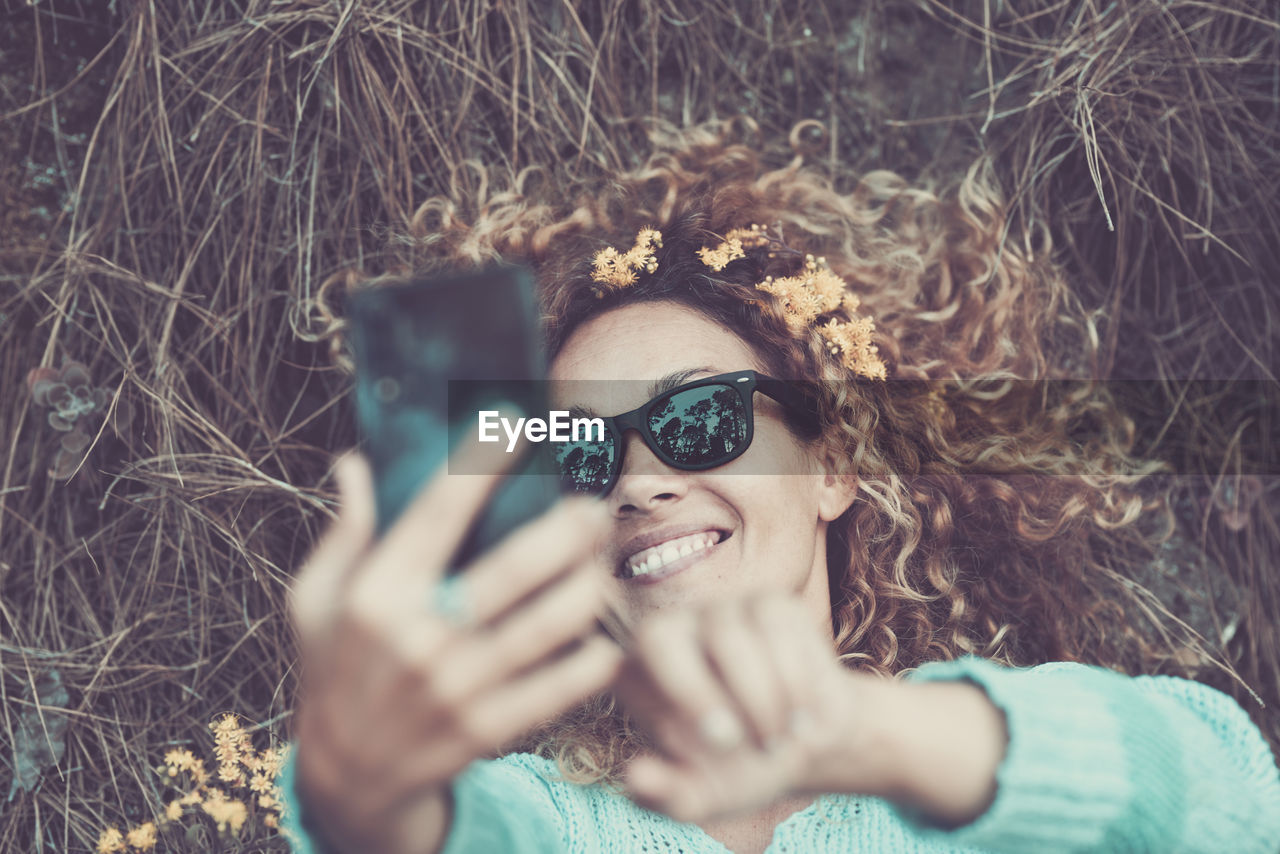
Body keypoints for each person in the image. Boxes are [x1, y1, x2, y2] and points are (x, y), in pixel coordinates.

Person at [278, 122, 1280, 853]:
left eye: (697, 420)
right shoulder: (548, 821)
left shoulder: (975, 779)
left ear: (833, 463)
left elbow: (1225, 794)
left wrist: (857, 733)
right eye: (580, 453)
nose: (636, 480)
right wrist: (359, 795)